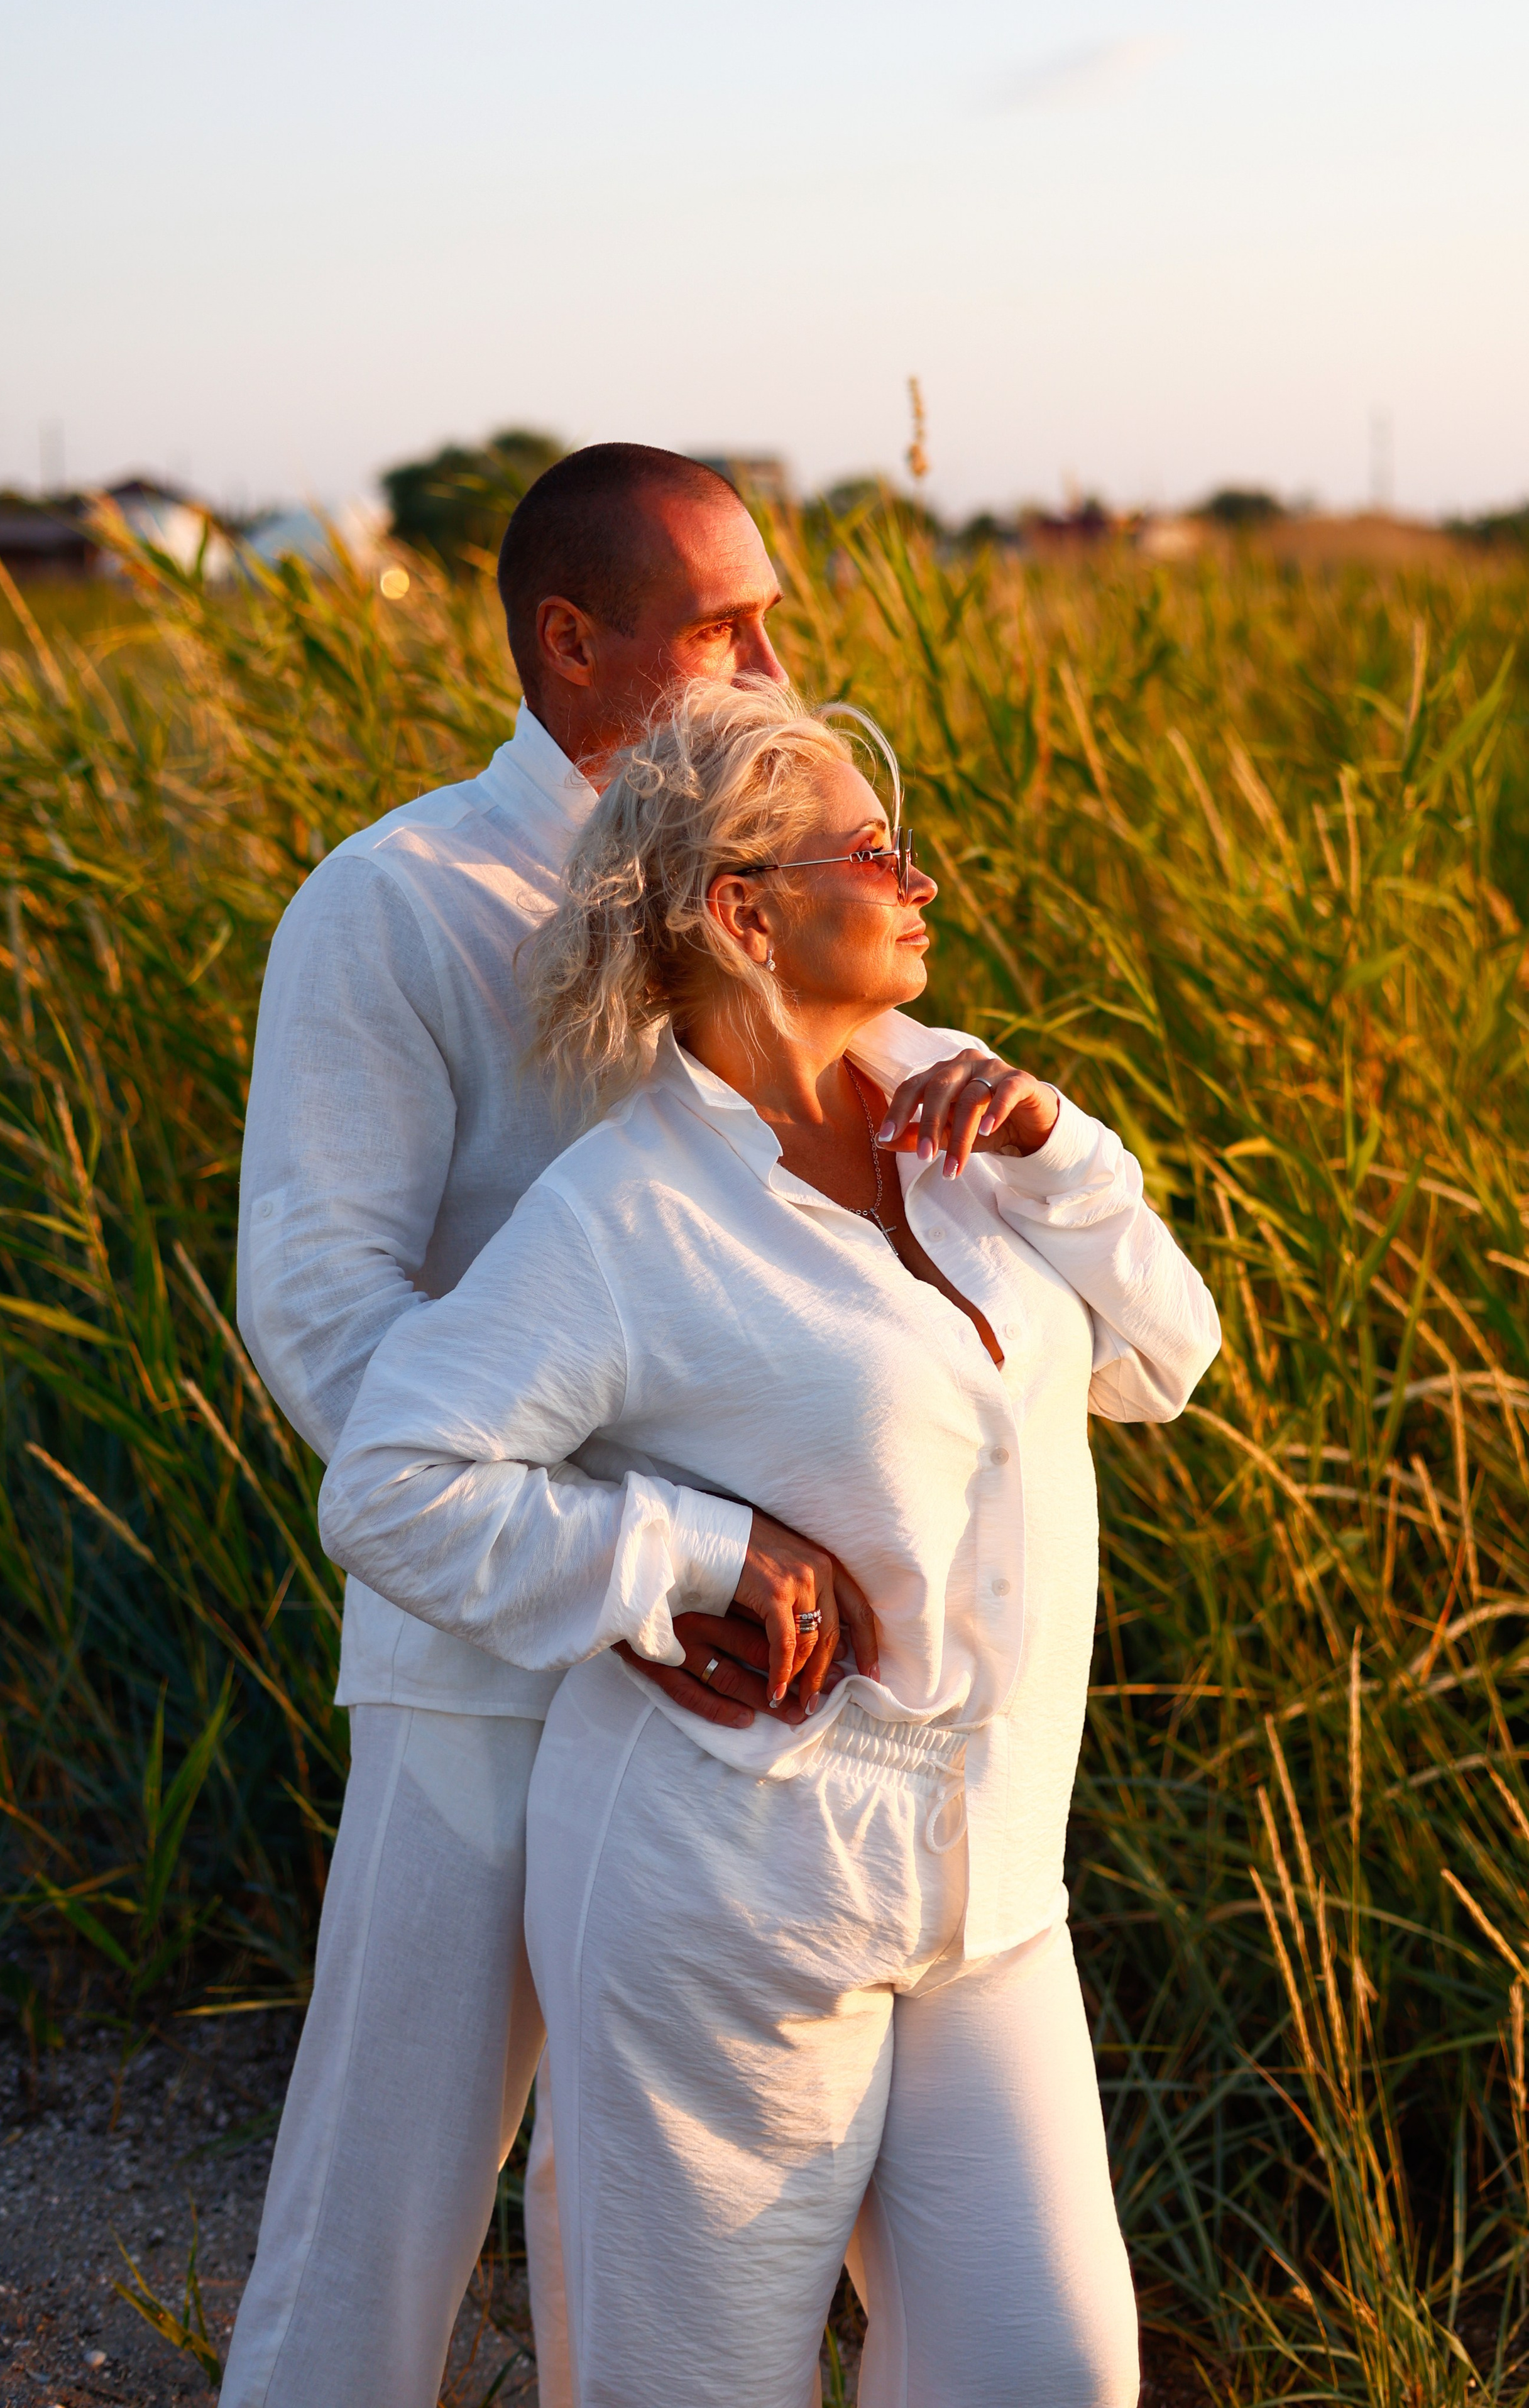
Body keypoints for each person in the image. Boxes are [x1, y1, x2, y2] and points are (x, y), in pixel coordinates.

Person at [318, 677, 1224, 2408]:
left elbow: (1164, 1361)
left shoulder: (951, 1126)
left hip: (994, 1872)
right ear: (747, 910)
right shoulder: (624, 1210)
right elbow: (392, 1486)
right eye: (880, 852)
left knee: (1048, 2373)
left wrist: (1054, 1140)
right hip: (722, 1884)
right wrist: (690, 1550)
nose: (923, 882)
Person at [222, 449, 867, 2408]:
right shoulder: (396, 904)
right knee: (384, 2198)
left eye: (774, 612)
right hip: (496, 1662)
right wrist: (622, 1563)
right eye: (717, 627)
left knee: (671, 2226)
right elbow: (322, 1319)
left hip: (753, 1685)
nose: (771, 660)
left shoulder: (782, 893)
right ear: (568, 642)